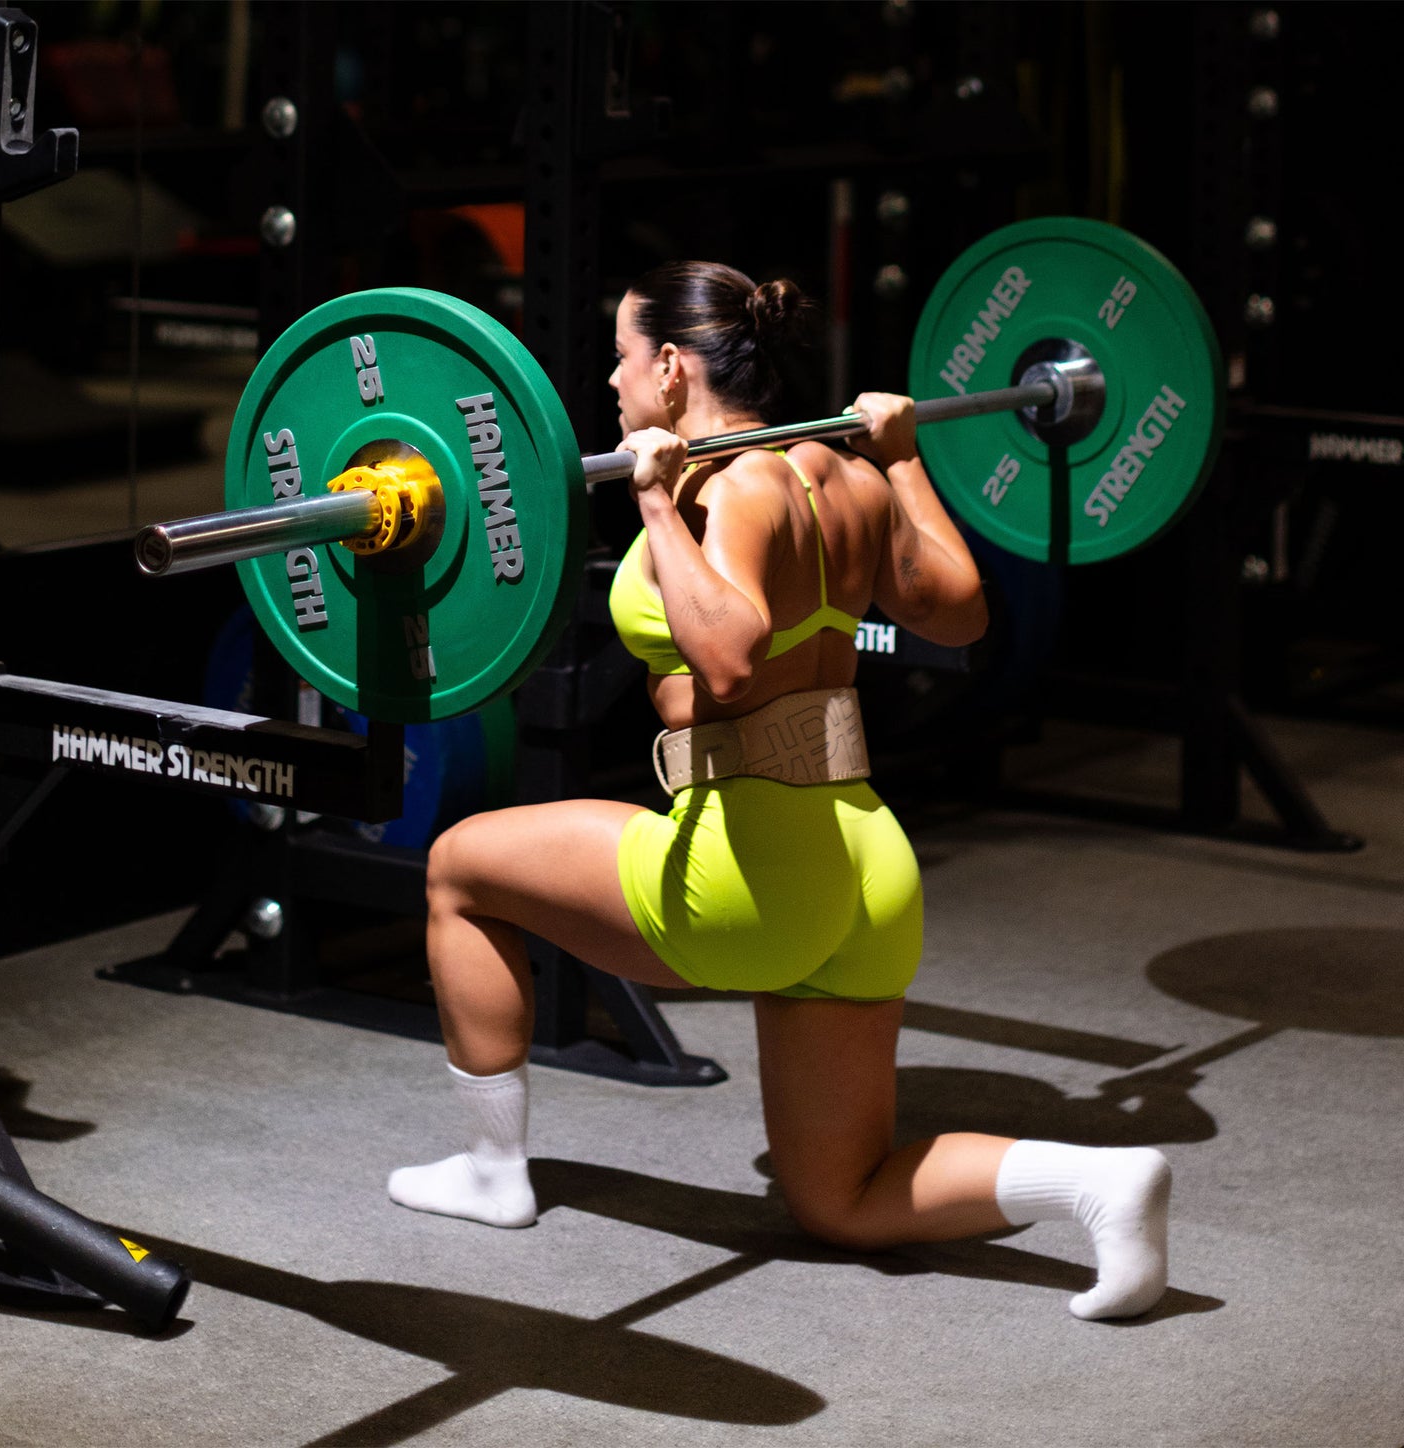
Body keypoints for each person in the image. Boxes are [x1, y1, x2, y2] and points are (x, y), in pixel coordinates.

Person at [388, 261, 1173, 1321]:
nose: (608, 382)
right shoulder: (839, 475)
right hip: (862, 858)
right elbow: (958, 611)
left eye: (619, 358)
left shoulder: (740, 487)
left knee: (457, 866)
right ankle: (1093, 1182)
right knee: (836, 1198)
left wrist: (655, 502)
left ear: (670, 369)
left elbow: (725, 659)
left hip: (749, 865)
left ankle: (489, 1170)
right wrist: (899, 461)